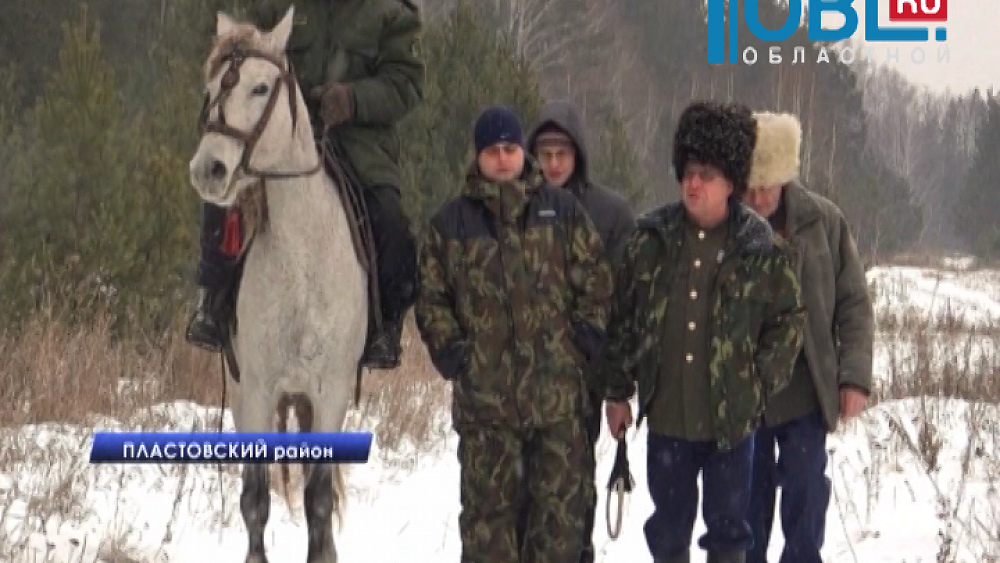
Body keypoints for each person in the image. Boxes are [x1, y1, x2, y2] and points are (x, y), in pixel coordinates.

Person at [599, 101, 806, 563]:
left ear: (731, 183)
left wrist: (757, 383)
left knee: (730, 537)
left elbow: (789, 321)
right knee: (669, 535)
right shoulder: (648, 242)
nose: (694, 183)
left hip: (730, 426)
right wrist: (617, 394)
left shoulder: (762, 250)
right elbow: (621, 320)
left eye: (706, 174)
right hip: (668, 420)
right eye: (688, 171)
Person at [415, 105, 614, 563]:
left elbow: (596, 280)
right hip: (487, 410)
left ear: (522, 151)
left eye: (510, 148)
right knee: (488, 533)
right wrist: (452, 351)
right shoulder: (451, 225)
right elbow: (432, 297)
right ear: (479, 156)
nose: (503, 159)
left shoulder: (561, 211)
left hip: (557, 406)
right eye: (492, 150)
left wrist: (582, 341)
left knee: (559, 530)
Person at [186, 0, 425, 371]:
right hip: (281, 137)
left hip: (359, 144)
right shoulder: (277, 5)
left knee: (390, 222)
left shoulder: (390, 13)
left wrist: (353, 99)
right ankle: (212, 302)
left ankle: (385, 326)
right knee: (223, 194)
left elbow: (406, 84)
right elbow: (245, 47)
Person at [742, 111, 874, 563]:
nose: (758, 198)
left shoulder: (823, 221)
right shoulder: (724, 225)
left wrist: (854, 377)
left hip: (805, 388)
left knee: (805, 496)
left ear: (783, 178)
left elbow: (853, 301)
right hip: (745, 392)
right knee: (744, 507)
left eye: (767, 186)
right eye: (750, 186)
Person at [524, 99, 635, 563]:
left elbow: (624, 309)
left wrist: (617, 389)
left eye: (562, 154)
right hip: (514, 385)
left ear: (578, 155)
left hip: (579, 386)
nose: (552, 164)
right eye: (544, 154)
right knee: (516, 510)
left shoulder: (609, 213)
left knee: (569, 509)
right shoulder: (512, 205)